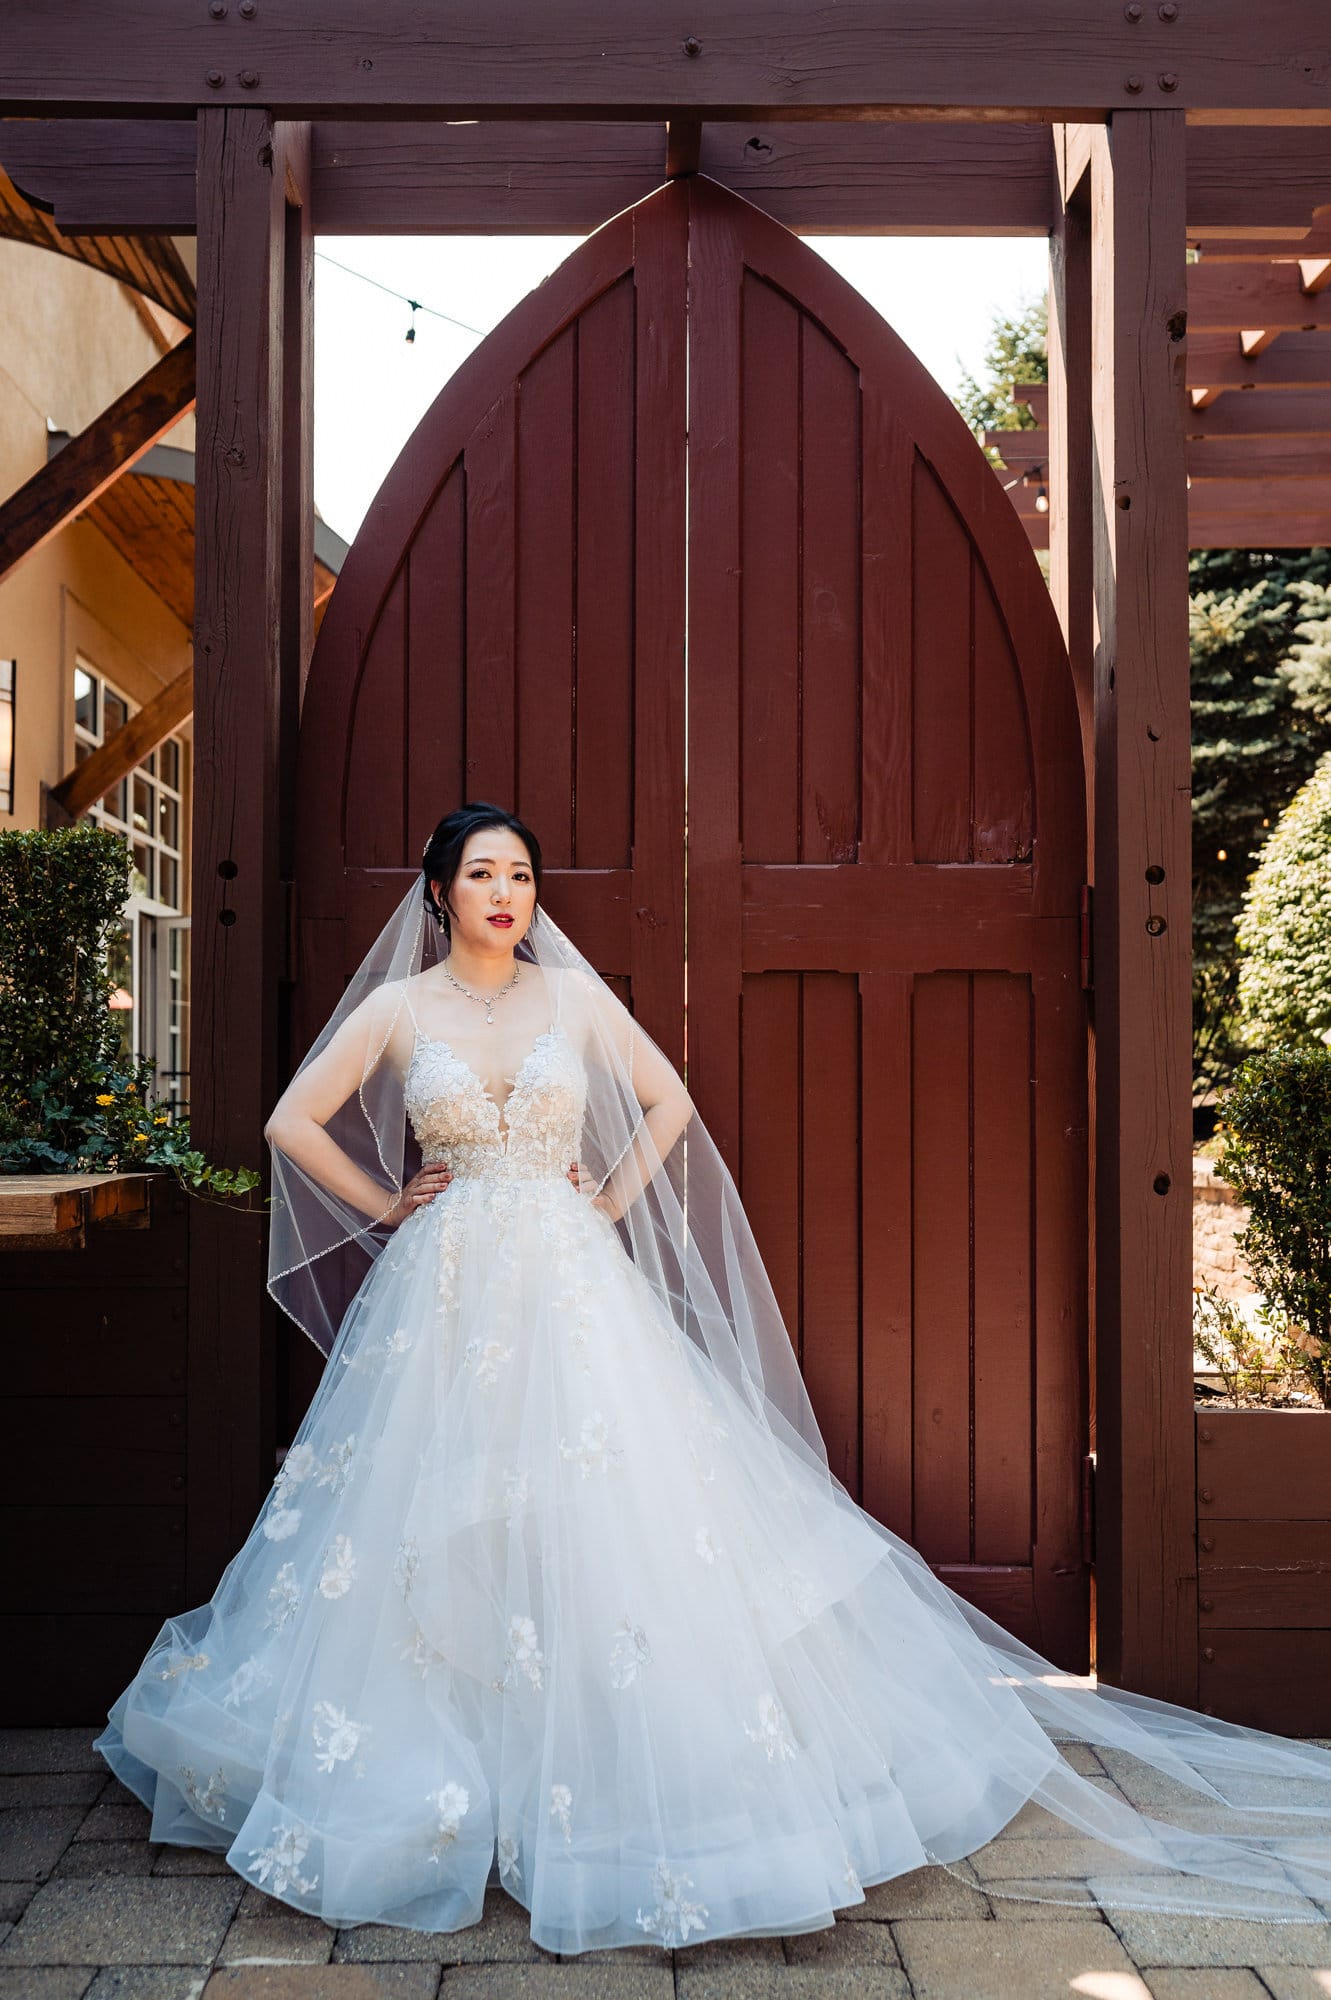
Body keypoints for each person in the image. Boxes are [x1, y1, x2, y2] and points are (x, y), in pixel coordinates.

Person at [95, 801, 1331, 1954]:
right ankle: (443, 1763)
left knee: (606, 1507)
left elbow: (666, 1102)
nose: (506, 892)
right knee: (432, 1514)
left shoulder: (570, 1004)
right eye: (482, 873)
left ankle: (602, 1765)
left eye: (521, 874)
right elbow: (288, 1122)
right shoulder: (400, 1011)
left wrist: (606, 1196)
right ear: (437, 893)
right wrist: (390, 1204)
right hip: (449, 1279)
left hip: (570, 1281)